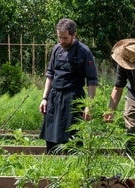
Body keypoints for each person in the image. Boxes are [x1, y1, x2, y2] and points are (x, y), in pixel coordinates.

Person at [39, 18, 98, 154]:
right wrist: (44, 98)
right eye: (59, 37)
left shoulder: (84, 52)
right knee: (51, 138)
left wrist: (89, 105)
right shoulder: (56, 50)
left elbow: (92, 81)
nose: (62, 41)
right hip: (55, 96)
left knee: (72, 138)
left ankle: (73, 170)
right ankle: (52, 168)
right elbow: (50, 75)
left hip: (73, 98)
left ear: (74, 35)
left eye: (65, 38)